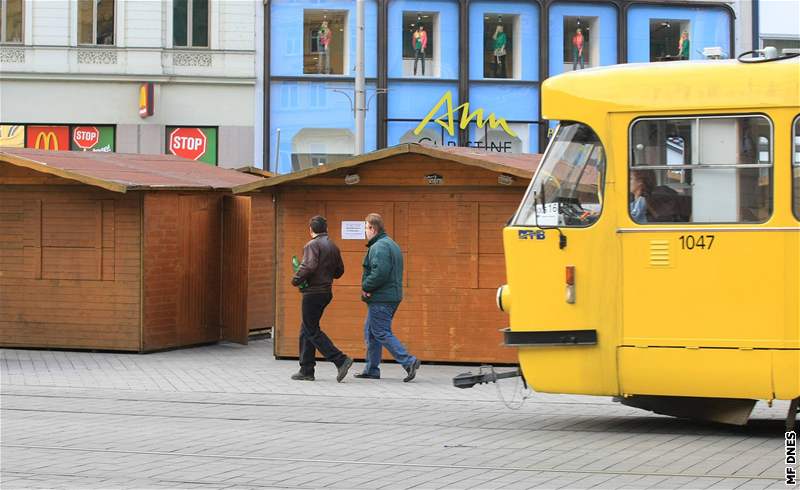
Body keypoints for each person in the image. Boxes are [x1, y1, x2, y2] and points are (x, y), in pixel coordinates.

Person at [354, 213, 421, 382]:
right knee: (371, 331)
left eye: (365, 228)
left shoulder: (379, 247)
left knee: (381, 331)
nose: (365, 232)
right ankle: (371, 369)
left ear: (372, 228)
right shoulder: (391, 244)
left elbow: (380, 272)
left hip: (381, 297)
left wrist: (366, 286)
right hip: (389, 295)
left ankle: (409, 361)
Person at [290, 216, 353, 382]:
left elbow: (308, 266)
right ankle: (306, 370)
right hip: (326, 292)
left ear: (311, 229)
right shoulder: (333, 246)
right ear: (326, 229)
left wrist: (296, 279)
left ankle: (340, 359)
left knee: (311, 330)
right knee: (307, 328)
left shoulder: (312, 245)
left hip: (313, 293)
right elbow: (339, 271)